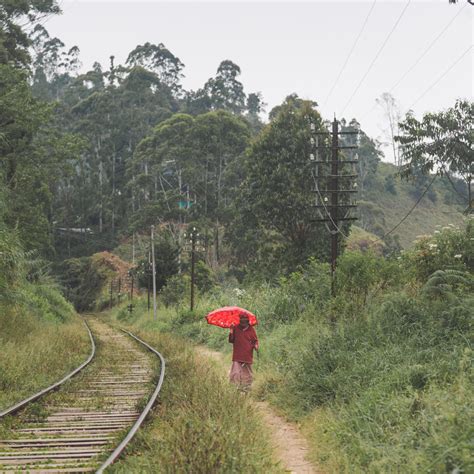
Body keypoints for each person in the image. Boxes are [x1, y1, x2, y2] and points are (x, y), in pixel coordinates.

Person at [228, 313, 259, 391]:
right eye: (242, 321)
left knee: (247, 374)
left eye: (245, 321)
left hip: (247, 355)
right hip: (237, 355)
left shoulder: (251, 329)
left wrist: (256, 346)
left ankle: (246, 388)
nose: (243, 323)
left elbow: (255, 341)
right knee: (235, 373)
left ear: (248, 321)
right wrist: (231, 331)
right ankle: (235, 389)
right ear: (240, 321)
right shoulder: (235, 328)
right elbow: (231, 340)